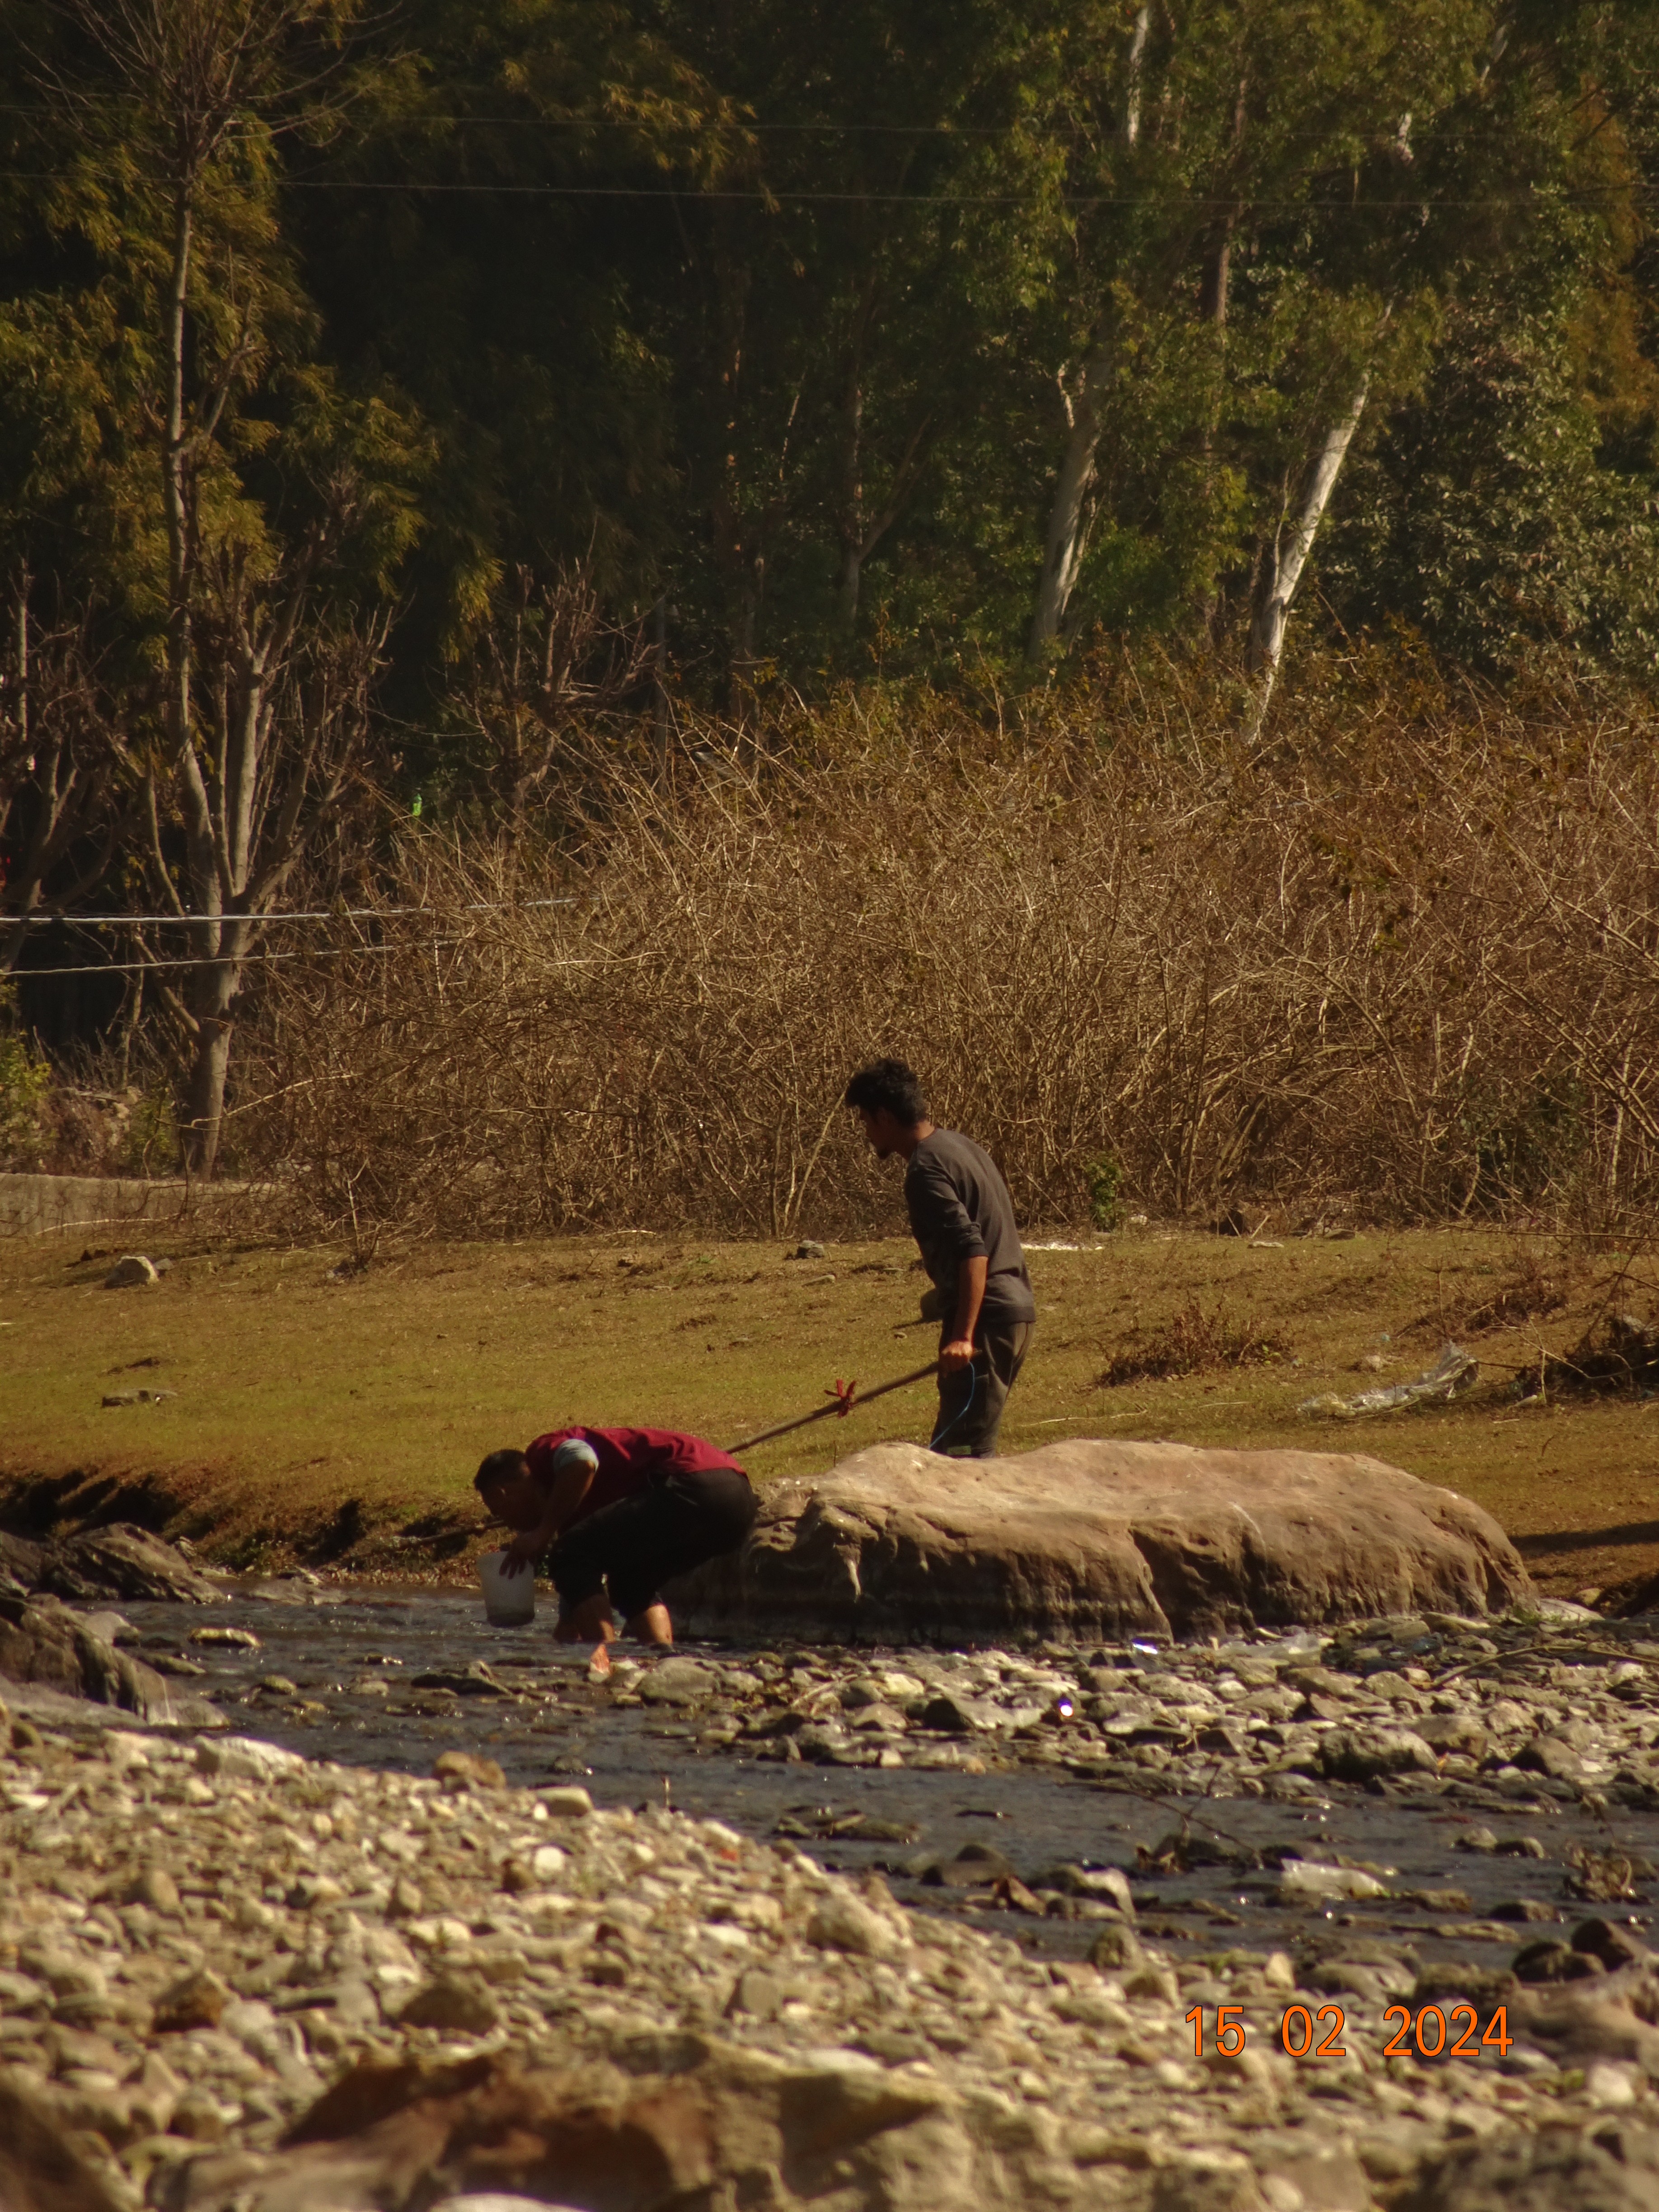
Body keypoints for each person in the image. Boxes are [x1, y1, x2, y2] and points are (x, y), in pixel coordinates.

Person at [844, 1057, 1035, 1458]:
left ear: (884, 1116)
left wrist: (964, 1336)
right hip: (1010, 1310)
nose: (866, 1133)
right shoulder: (959, 1146)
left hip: (987, 1320)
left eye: (865, 1121)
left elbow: (974, 1250)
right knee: (951, 1447)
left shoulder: (925, 1170)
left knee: (963, 1454)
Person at [475, 1426, 757, 1661]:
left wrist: (542, 1533)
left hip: (697, 1484)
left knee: (571, 1553)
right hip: (737, 1507)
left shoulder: (541, 1455)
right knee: (630, 1579)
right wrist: (563, 1640)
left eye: (498, 1512)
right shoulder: (572, 1515)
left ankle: (605, 1659)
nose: (508, 1525)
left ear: (503, 1494)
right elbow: (578, 1585)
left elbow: (583, 1460)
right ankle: (661, 1660)